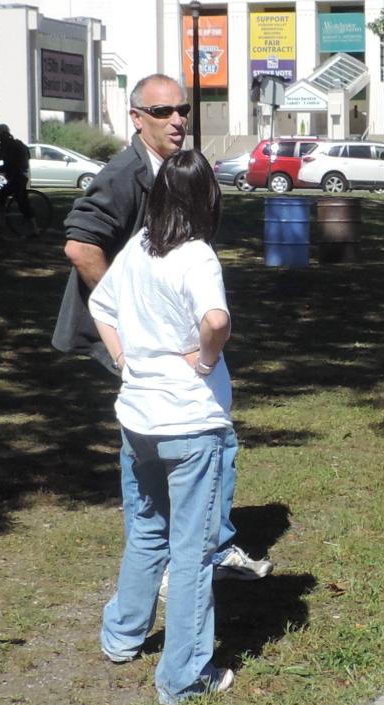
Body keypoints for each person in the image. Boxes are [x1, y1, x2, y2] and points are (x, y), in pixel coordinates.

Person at [56, 73, 270, 582]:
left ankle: (199, 551)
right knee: (166, 456)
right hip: (150, 346)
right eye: (161, 112)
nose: (176, 120)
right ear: (137, 119)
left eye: (183, 110)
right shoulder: (125, 173)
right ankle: (181, 564)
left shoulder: (165, 168)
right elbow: (80, 246)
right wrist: (132, 325)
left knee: (193, 448)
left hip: (169, 343)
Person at [88, 151, 239, 705]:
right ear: (208, 199)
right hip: (189, 424)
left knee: (146, 529)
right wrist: (204, 360)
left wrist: (124, 360)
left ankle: (121, 635)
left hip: (137, 420)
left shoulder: (137, 248)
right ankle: (184, 676)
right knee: (193, 551)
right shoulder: (197, 256)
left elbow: (100, 307)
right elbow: (216, 321)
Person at [0, 124, 35, 228]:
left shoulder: (10, 146)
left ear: (4, 134)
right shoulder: (7, 145)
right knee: (18, 200)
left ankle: (2, 223)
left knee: (17, 201)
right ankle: (1, 222)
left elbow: (8, 165)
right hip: (17, 176)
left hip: (18, 177)